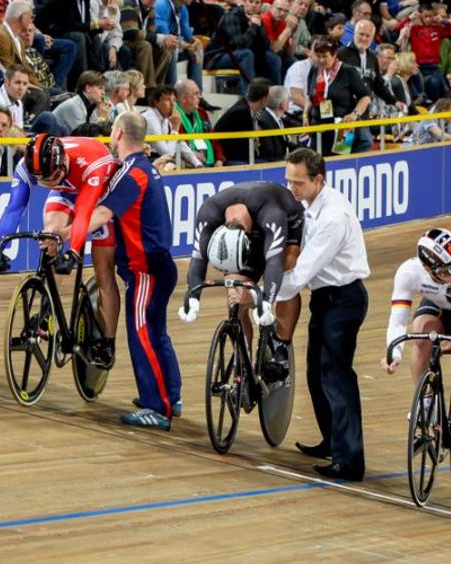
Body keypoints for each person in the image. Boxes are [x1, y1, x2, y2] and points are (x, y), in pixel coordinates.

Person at [77, 112, 181, 429]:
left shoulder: (131, 172)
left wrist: (70, 234)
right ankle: (170, 396)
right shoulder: (144, 168)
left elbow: (104, 212)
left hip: (144, 267)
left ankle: (157, 407)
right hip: (157, 263)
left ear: (119, 133)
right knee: (156, 334)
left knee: (143, 335)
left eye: (112, 130)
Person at [0, 134, 121, 368]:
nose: (49, 183)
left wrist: (72, 251)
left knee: (104, 273)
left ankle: (108, 342)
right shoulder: (27, 166)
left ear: (63, 164)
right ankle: (47, 309)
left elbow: (84, 213)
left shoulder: (89, 163)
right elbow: (14, 208)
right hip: (69, 192)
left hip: (99, 194)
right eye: (44, 181)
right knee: (51, 234)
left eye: (53, 177)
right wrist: (0, 246)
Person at [280, 148, 370, 480]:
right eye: (288, 181)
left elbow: (302, 272)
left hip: (344, 299)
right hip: (326, 297)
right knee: (317, 373)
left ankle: (350, 461)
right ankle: (333, 441)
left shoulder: (333, 217)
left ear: (319, 179)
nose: (292, 189)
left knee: (336, 376)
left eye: (298, 183)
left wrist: (264, 298)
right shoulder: (310, 204)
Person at [383, 228, 451, 461]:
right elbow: (398, 318)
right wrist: (394, 353)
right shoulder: (408, 272)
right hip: (440, 305)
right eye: (447, 270)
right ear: (427, 268)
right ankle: (425, 401)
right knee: (421, 335)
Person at [179, 181, 305, 383]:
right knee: (236, 294)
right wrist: (192, 298)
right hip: (244, 239)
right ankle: (243, 358)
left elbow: (274, 261)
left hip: (285, 225)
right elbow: (198, 259)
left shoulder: (272, 212)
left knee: (287, 269)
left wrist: (266, 301)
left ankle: (281, 344)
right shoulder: (209, 213)